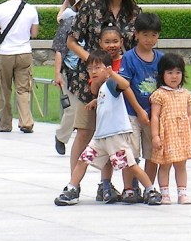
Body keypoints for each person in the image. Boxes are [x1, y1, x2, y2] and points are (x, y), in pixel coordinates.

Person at [66, 0, 140, 203]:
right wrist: (95, 64)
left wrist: (113, 73)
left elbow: (136, 48)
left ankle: (106, 185)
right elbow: (71, 41)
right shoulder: (91, 8)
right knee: (86, 131)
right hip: (89, 81)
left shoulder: (134, 12)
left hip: (119, 82)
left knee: (116, 131)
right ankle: (73, 183)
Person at [54, 50, 162, 206]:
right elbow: (108, 101)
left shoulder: (111, 83)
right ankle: (71, 188)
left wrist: (113, 74)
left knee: (131, 166)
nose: (93, 71)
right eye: (90, 68)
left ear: (108, 68)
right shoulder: (103, 88)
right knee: (82, 160)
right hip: (100, 138)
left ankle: (151, 189)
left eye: (97, 67)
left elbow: (125, 85)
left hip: (115, 137)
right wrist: (96, 102)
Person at [119, 12, 164, 201]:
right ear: (136, 34)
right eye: (145, 34)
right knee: (131, 154)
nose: (149, 39)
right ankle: (129, 188)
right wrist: (138, 110)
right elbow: (125, 85)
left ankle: (148, 187)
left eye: (154, 35)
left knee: (153, 153)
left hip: (154, 115)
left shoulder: (161, 59)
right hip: (131, 113)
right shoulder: (129, 58)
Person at [0, 0, 39, 134]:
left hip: (5, 53)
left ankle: (5, 124)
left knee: (4, 89)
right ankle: (26, 122)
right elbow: (35, 33)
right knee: (23, 89)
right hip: (24, 52)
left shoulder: (0, 8)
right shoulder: (31, 9)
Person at [149, 53, 191, 205]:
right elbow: (155, 116)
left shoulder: (186, 94)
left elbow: (190, 115)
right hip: (166, 134)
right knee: (165, 165)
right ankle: (164, 193)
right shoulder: (159, 95)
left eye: (178, 72)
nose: (174, 76)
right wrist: (155, 136)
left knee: (181, 165)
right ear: (162, 74)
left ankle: (182, 193)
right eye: (169, 72)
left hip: (182, 134)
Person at [52, 0, 86, 159]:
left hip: (89, 73)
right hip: (70, 71)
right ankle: (61, 137)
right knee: (71, 110)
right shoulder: (69, 22)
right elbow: (60, 49)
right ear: (78, 5)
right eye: (83, 3)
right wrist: (57, 74)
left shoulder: (97, 24)